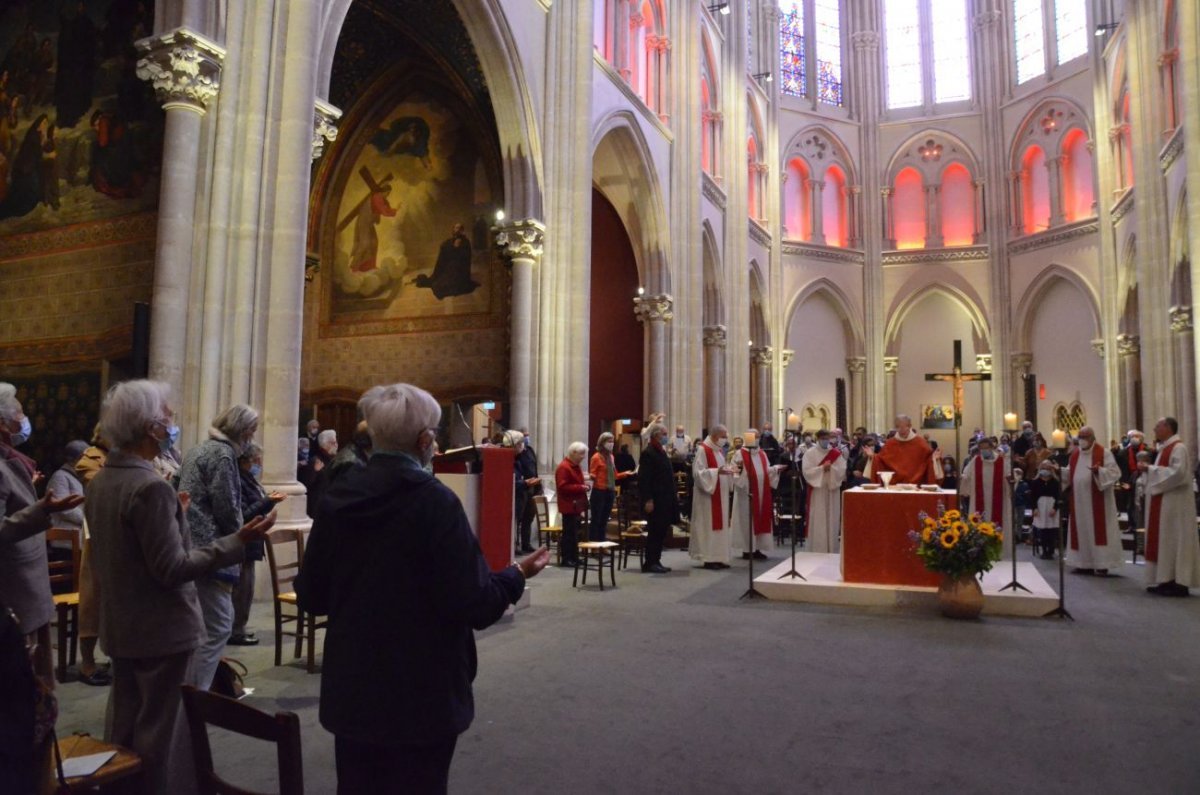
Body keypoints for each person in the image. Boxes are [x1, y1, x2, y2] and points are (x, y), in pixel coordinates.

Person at [294, 383, 548, 794]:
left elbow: (311, 595)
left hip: (355, 690)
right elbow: (476, 603)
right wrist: (516, 575)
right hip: (422, 693)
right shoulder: (435, 503)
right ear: (425, 440)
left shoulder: (339, 497)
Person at [85, 380, 274, 795]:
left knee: (125, 723)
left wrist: (177, 517)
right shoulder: (150, 486)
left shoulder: (102, 481)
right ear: (150, 427)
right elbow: (171, 569)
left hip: (122, 624)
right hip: (162, 630)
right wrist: (236, 542)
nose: (172, 423)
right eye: (167, 416)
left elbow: (126, 552)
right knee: (164, 735)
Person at [1, 382, 86, 691]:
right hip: (14, 591)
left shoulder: (11, 460)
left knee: (38, 688)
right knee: (23, 691)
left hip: (27, 590)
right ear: (3, 423)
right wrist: (43, 511)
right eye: (21, 412)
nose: (25, 418)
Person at [177, 403, 260, 690]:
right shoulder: (223, 454)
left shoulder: (198, 449)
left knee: (202, 626)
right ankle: (195, 698)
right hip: (212, 548)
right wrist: (241, 536)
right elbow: (226, 505)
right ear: (241, 429)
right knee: (219, 626)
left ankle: (194, 691)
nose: (252, 436)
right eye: (251, 430)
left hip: (190, 544)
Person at [229, 443, 286, 646]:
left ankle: (239, 628)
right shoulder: (238, 480)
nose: (260, 464)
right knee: (242, 589)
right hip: (245, 540)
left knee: (247, 588)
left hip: (252, 542)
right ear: (247, 460)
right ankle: (235, 631)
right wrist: (267, 501)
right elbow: (244, 514)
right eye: (257, 460)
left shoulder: (248, 479)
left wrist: (268, 501)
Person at [1140, 417, 1200, 596]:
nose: (1154, 429)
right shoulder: (1164, 448)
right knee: (1166, 542)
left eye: (1158, 426)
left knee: (1175, 541)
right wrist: (1149, 470)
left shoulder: (1178, 448)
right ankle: (1166, 579)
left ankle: (1179, 583)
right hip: (1165, 505)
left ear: (1168, 427)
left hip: (1176, 506)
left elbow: (1179, 473)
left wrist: (1150, 469)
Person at [74, 426, 111, 685]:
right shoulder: (91, 457)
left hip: (126, 537)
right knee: (92, 599)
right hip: (99, 537)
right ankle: (86, 663)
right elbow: (100, 485)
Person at [1064, 426, 1123, 576]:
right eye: (1080, 437)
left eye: (1084, 437)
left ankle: (1102, 563)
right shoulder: (1075, 454)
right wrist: (1055, 470)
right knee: (1082, 529)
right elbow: (1070, 474)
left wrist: (1099, 471)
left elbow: (1115, 472)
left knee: (1098, 530)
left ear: (1092, 437)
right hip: (1078, 500)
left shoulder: (1104, 452)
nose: (1081, 440)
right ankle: (1083, 563)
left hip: (1098, 501)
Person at [731, 430, 784, 560]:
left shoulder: (762, 454)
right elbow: (735, 472)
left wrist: (775, 469)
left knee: (761, 517)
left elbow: (766, 470)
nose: (756, 439)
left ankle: (758, 548)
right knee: (747, 521)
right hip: (746, 494)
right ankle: (747, 549)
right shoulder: (740, 454)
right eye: (754, 437)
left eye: (757, 437)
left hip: (762, 492)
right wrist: (744, 477)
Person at [959, 437, 1015, 558]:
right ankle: (978, 552)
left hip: (999, 502)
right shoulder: (976, 461)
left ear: (992, 448)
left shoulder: (1001, 461)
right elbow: (966, 475)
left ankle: (999, 553)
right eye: (981, 448)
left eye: (987, 448)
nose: (984, 450)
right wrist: (961, 480)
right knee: (979, 522)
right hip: (979, 499)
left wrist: (1012, 480)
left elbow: (1009, 477)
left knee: (998, 523)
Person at [690, 425, 737, 570]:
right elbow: (698, 473)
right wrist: (717, 472)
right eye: (724, 436)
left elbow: (722, 469)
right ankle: (709, 558)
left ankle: (719, 556)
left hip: (720, 495)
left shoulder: (718, 451)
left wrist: (730, 471)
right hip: (707, 498)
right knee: (708, 526)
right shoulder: (703, 450)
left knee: (721, 526)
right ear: (716, 436)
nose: (726, 439)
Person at [637, 422, 678, 574]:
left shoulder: (660, 451)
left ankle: (656, 560)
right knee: (654, 531)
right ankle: (650, 562)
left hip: (665, 499)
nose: (666, 437)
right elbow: (644, 479)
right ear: (656, 435)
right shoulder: (648, 453)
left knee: (661, 531)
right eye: (664, 434)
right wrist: (648, 499)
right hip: (655, 500)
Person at [802, 429, 847, 553]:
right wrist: (822, 468)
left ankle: (831, 548)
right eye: (823, 438)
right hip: (818, 491)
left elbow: (842, 470)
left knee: (832, 519)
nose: (826, 441)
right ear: (818, 439)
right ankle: (817, 549)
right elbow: (806, 472)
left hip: (832, 490)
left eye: (827, 438)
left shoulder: (835, 453)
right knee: (818, 519)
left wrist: (831, 469)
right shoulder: (810, 453)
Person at [863, 414, 937, 485]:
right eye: (897, 427)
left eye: (902, 427)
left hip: (916, 486)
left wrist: (935, 459)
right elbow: (881, 460)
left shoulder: (921, 443)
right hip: (894, 485)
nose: (900, 430)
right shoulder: (890, 443)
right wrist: (872, 457)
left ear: (909, 426)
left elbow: (929, 461)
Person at [589, 432, 630, 542]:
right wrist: (592, 477)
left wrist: (626, 473)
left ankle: (602, 543)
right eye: (609, 441)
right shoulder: (596, 457)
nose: (611, 444)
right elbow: (592, 474)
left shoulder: (611, 457)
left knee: (604, 520)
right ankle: (594, 545)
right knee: (596, 519)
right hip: (599, 491)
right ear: (602, 443)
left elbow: (614, 475)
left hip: (610, 491)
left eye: (612, 441)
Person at [555, 442, 590, 567]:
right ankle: (567, 558)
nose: (583, 457)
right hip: (568, 505)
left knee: (575, 533)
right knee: (569, 534)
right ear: (573, 453)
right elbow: (562, 486)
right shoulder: (564, 467)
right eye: (581, 454)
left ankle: (574, 557)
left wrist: (585, 486)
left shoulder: (576, 466)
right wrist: (581, 487)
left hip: (576, 505)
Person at [45, 440, 88, 535]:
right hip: (65, 539)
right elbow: (64, 508)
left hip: (80, 536)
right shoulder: (60, 476)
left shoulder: (80, 476)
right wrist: (88, 520)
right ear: (80, 458)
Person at [513, 431, 539, 554]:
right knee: (518, 518)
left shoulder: (530, 450)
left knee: (529, 517)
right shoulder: (517, 455)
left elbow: (534, 467)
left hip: (532, 488)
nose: (526, 439)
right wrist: (525, 482)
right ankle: (515, 545)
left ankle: (526, 543)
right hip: (522, 489)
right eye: (524, 437)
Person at [1029, 462, 1061, 560]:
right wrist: (1034, 508)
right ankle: (1044, 550)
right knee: (1043, 529)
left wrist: (1055, 508)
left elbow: (1058, 496)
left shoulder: (1055, 482)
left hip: (1052, 505)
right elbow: (1033, 497)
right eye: (1044, 468)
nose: (1045, 470)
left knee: (1051, 529)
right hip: (1040, 506)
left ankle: (1051, 550)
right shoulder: (1036, 482)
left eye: (1048, 468)